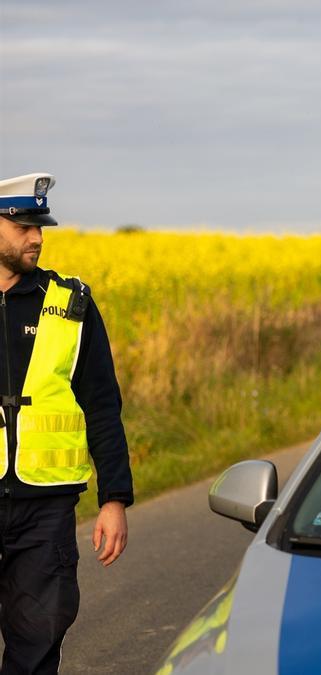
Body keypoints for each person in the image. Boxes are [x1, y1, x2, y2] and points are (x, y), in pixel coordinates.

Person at [0, 173, 133, 674]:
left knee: (36, 648)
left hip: (46, 512)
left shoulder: (71, 304)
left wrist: (114, 498)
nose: (35, 236)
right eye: (22, 225)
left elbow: (102, 404)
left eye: (41, 226)